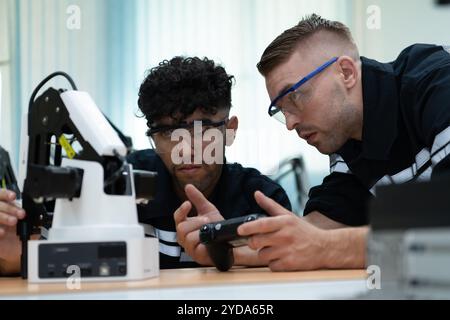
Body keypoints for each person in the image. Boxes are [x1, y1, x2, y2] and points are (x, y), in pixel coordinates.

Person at [176, 14, 450, 271]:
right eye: (281, 110)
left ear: (346, 73)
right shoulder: (348, 139)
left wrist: (323, 248)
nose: (291, 123)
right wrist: (230, 248)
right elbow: (319, 229)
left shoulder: (437, 85)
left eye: (294, 97)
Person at [0, 57, 291, 275]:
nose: (184, 148)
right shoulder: (113, 182)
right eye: (167, 132)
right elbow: (33, 255)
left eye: (201, 129)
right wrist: (10, 244)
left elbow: (289, 266)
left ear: (229, 130)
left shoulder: (262, 200)